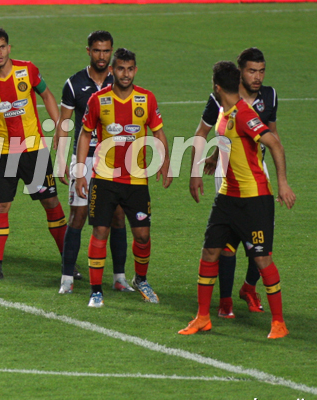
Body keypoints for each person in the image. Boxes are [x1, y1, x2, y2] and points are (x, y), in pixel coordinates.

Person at [179, 61, 295, 339]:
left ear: (216, 86)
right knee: (210, 252)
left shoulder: (244, 114)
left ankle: (278, 323)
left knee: (262, 259)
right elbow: (228, 140)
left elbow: (274, 143)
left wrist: (282, 183)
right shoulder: (225, 112)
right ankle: (202, 317)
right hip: (227, 198)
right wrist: (213, 157)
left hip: (254, 199)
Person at [0, 27, 67, 281]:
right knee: (0, 205)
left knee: (51, 202)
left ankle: (68, 261)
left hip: (34, 150)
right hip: (3, 153)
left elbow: (47, 95)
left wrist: (60, 128)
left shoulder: (27, 70)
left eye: (2, 47)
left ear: (9, 47)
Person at [73, 48, 172, 307]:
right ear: (112, 70)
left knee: (142, 235)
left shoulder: (146, 99)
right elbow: (85, 134)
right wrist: (80, 171)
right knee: (100, 231)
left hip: (136, 180)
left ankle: (141, 279)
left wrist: (165, 162)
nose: (125, 74)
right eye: (120, 69)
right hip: (104, 178)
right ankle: (96, 291)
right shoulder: (98, 100)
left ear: (135, 70)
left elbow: (159, 133)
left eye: (129, 69)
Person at [189, 47, 279, 319]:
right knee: (227, 241)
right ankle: (225, 301)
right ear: (240, 73)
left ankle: (249, 287)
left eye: (261, 71)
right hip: (228, 171)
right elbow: (206, 132)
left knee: (262, 241)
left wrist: (282, 180)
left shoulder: (269, 96)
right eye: (252, 71)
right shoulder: (220, 98)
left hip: (257, 168)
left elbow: (272, 136)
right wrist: (201, 166)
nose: (257, 77)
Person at [53, 30, 133, 292]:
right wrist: (62, 161)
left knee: (118, 217)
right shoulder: (74, 83)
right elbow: (64, 124)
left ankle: (119, 278)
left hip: (113, 161)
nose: (102, 56)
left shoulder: (119, 80)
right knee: (78, 216)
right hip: (84, 158)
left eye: (106, 51)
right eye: (97, 50)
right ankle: (67, 279)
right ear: (88, 51)